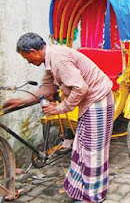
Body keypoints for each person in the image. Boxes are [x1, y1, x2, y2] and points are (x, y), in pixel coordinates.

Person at [3, 33, 114, 202]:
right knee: (82, 146)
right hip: (90, 102)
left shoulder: (58, 60)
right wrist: (22, 101)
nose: (29, 63)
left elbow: (80, 89)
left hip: (98, 100)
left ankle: (93, 196)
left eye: (27, 58)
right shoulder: (50, 59)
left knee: (93, 150)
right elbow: (48, 88)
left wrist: (60, 108)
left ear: (33, 52)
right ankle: (82, 189)